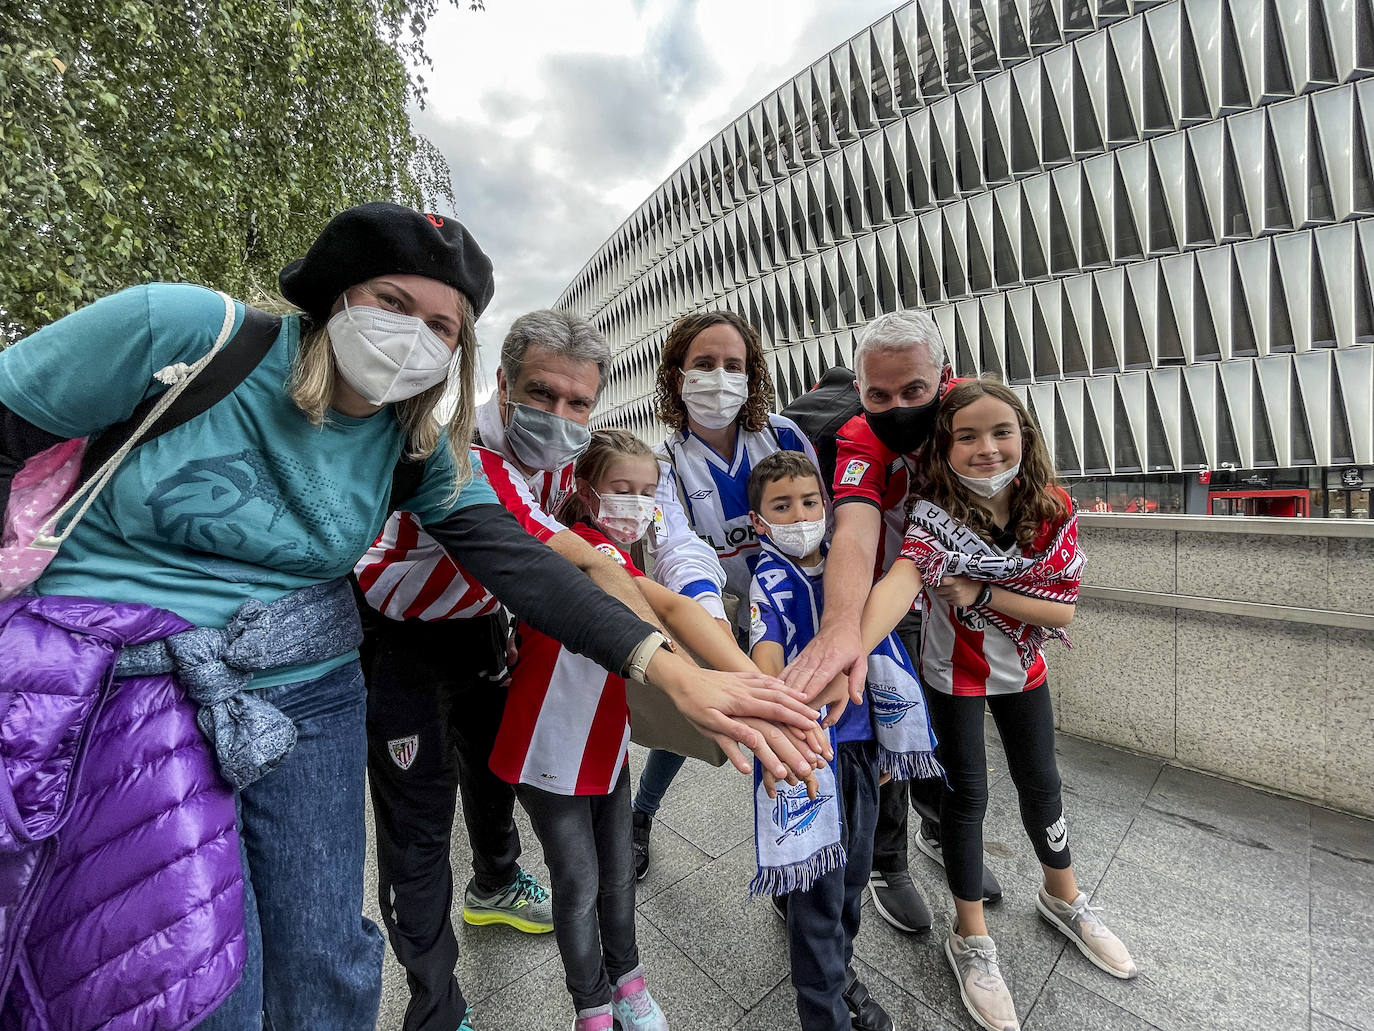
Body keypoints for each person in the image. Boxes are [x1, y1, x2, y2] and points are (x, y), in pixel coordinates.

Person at [0, 203, 821, 1031]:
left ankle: (476, 908)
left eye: (441, 326)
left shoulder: (418, 444)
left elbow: (522, 563)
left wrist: (678, 674)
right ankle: (434, 1003)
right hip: (122, 673)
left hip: (309, 678)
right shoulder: (183, 331)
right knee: (180, 962)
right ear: (334, 296)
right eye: (393, 303)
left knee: (327, 950)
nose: (415, 337)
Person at [355, 309, 750, 1031]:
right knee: (416, 829)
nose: (560, 416)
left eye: (578, 403)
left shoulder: (571, 458)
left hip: (480, 626)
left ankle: (495, 883)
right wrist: (681, 668)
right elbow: (580, 566)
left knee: (488, 781)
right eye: (540, 394)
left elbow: (666, 540)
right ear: (501, 383)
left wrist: (727, 652)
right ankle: (435, 1007)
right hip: (404, 639)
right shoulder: (467, 455)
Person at [490, 431, 826, 1031]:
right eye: (623, 490)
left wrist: (758, 691)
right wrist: (757, 690)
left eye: (648, 492)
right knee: (577, 884)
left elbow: (678, 604)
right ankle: (591, 1008)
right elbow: (668, 612)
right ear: (585, 492)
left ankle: (629, 986)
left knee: (617, 875)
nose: (638, 504)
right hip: (546, 746)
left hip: (604, 746)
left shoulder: (626, 556)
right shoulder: (576, 553)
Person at [857, 379, 1137, 1031]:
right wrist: (848, 651)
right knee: (967, 798)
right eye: (967, 435)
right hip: (951, 674)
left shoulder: (1052, 507)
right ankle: (970, 937)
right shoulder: (932, 513)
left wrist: (982, 591)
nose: (987, 447)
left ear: (1026, 436)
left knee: (1043, 783)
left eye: (1001, 431)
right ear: (944, 448)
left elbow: (1061, 605)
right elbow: (904, 581)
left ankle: (1063, 897)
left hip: (1024, 668)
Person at [780, 310, 1002, 935]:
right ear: (859, 391)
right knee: (889, 729)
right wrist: (842, 628)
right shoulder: (859, 437)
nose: (897, 406)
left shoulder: (972, 424)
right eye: (879, 395)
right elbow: (854, 528)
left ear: (945, 380)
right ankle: (889, 862)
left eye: (914, 392)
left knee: (949, 731)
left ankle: (946, 832)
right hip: (883, 599)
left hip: (956, 600)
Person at [745, 450, 941, 1031]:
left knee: (852, 880)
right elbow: (766, 652)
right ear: (759, 521)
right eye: (782, 506)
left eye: (810, 502)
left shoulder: (845, 571)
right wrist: (777, 703)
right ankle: (824, 1011)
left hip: (861, 752)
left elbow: (879, 650)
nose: (800, 514)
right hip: (809, 759)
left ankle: (842, 976)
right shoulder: (770, 579)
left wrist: (886, 746)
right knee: (817, 903)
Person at [630, 310, 821, 881]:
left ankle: (795, 852)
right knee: (689, 723)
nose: (719, 377)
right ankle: (640, 818)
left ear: (752, 374)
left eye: (733, 365)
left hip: (785, 608)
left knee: (788, 729)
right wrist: (715, 644)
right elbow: (677, 548)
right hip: (715, 612)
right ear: (677, 376)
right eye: (704, 364)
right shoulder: (666, 462)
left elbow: (818, 515)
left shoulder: (782, 436)